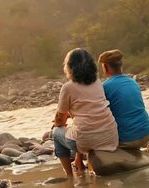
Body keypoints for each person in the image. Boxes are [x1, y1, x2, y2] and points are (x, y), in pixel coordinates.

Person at [52, 48, 118, 176]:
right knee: (79, 126)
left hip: (87, 139)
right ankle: (78, 162)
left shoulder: (68, 87)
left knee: (56, 133)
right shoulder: (98, 82)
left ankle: (69, 175)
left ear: (69, 67)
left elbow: (60, 121)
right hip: (110, 136)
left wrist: (57, 122)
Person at [98, 49, 149, 149]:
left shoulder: (105, 87)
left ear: (105, 67)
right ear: (120, 65)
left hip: (128, 139)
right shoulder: (132, 82)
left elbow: (99, 116)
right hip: (146, 133)